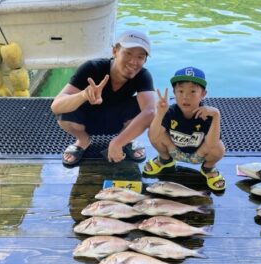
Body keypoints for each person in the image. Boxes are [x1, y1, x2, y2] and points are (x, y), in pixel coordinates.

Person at [51, 30, 156, 166]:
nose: (133, 62)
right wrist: (83, 95)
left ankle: (126, 140)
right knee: (65, 110)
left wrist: (118, 142)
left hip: (120, 121)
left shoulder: (142, 76)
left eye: (140, 57)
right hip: (89, 121)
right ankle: (83, 140)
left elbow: (151, 112)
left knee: (148, 109)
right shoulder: (92, 68)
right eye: (128, 53)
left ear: (145, 60)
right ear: (115, 51)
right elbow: (56, 106)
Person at [143, 66, 226, 191]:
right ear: (174, 93)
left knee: (219, 148)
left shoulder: (207, 115)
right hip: (174, 150)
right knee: (155, 131)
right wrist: (159, 114)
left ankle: (208, 168)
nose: (185, 97)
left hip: (199, 154)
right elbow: (153, 136)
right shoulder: (170, 111)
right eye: (180, 91)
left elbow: (212, 144)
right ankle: (165, 160)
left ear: (203, 94)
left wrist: (216, 116)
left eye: (193, 92)